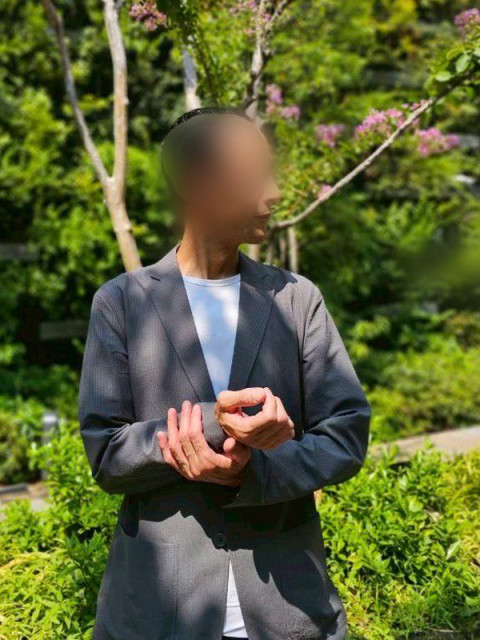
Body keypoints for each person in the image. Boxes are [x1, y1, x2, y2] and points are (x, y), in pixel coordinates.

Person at [79, 106, 371, 640]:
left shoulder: (295, 299)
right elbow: (106, 453)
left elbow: (346, 434)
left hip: (288, 611)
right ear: (197, 184)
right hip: (160, 615)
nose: (274, 191)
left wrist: (252, 469)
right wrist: (214, 425)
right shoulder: (123, 303)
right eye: (254, 174)